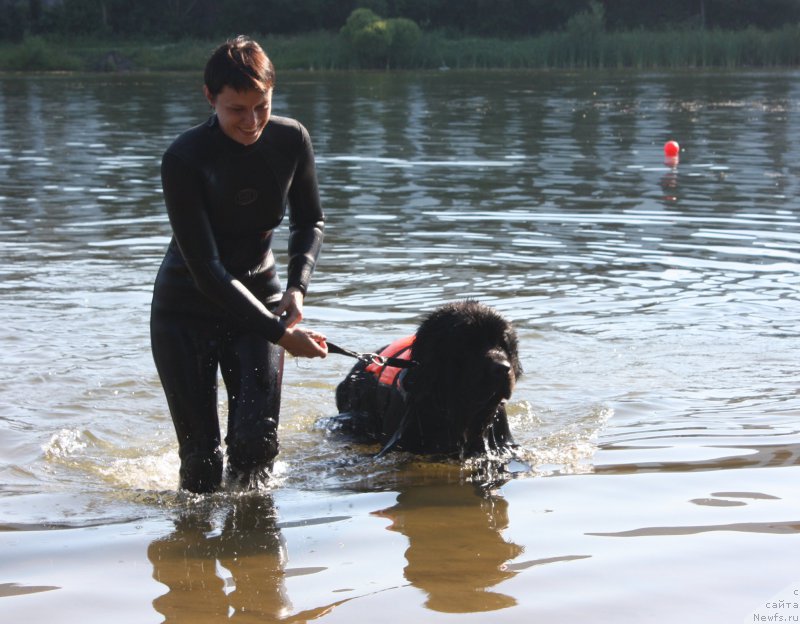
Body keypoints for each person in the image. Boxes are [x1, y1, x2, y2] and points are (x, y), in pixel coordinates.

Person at [150, 36, 327, 494]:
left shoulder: (291, 140)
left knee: (257, 446)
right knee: (203, 466)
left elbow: (310, 220)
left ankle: (258, 559)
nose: (252, 123)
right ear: (210, 98)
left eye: (262, 107)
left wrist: (296, 289)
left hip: (261, 302)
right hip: (185, 312)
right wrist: (284, 336)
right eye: (236, 110)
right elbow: (207, 268)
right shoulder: (184, 159)